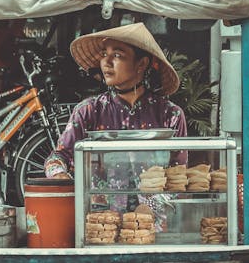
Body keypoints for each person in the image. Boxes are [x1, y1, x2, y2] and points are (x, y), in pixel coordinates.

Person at [44, 22, 187, 230]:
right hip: (99, 226)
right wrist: (61, 177)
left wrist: (152, 205)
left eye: (118, 55)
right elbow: (57, 157)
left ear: (141, 64)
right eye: (104, 53)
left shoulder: (170, 115)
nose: (106, 62)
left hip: (152, 229)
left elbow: (179, 177)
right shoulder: (88, 111)